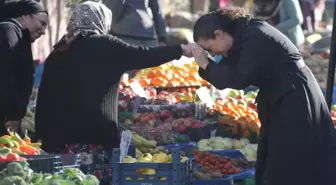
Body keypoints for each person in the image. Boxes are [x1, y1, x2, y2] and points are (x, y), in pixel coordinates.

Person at [35, 2, 192, 184]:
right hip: (97, 137)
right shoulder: (106, 45)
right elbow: (144, 55)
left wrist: (41, 135)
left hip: (60, 140)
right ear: (102, 21)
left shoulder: (59, 51)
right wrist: (179, 50)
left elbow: (44, 97)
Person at [191, 7, 336, 185]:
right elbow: (226, 76)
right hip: (282, 96)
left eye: (209, 48)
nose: (212, 54)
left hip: (295, 98)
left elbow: (237, 78)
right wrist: (205, 65)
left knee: (295, 160)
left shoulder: (255, 35)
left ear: (219, 34)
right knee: (277, 160)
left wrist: (206, 64)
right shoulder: (241, 35)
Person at [0, 0, 48, 135]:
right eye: (42, 23)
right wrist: (12, 115)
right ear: (24, 16)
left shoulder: (20, 36)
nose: (43, 31)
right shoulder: (8, 31)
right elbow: (4, 77)